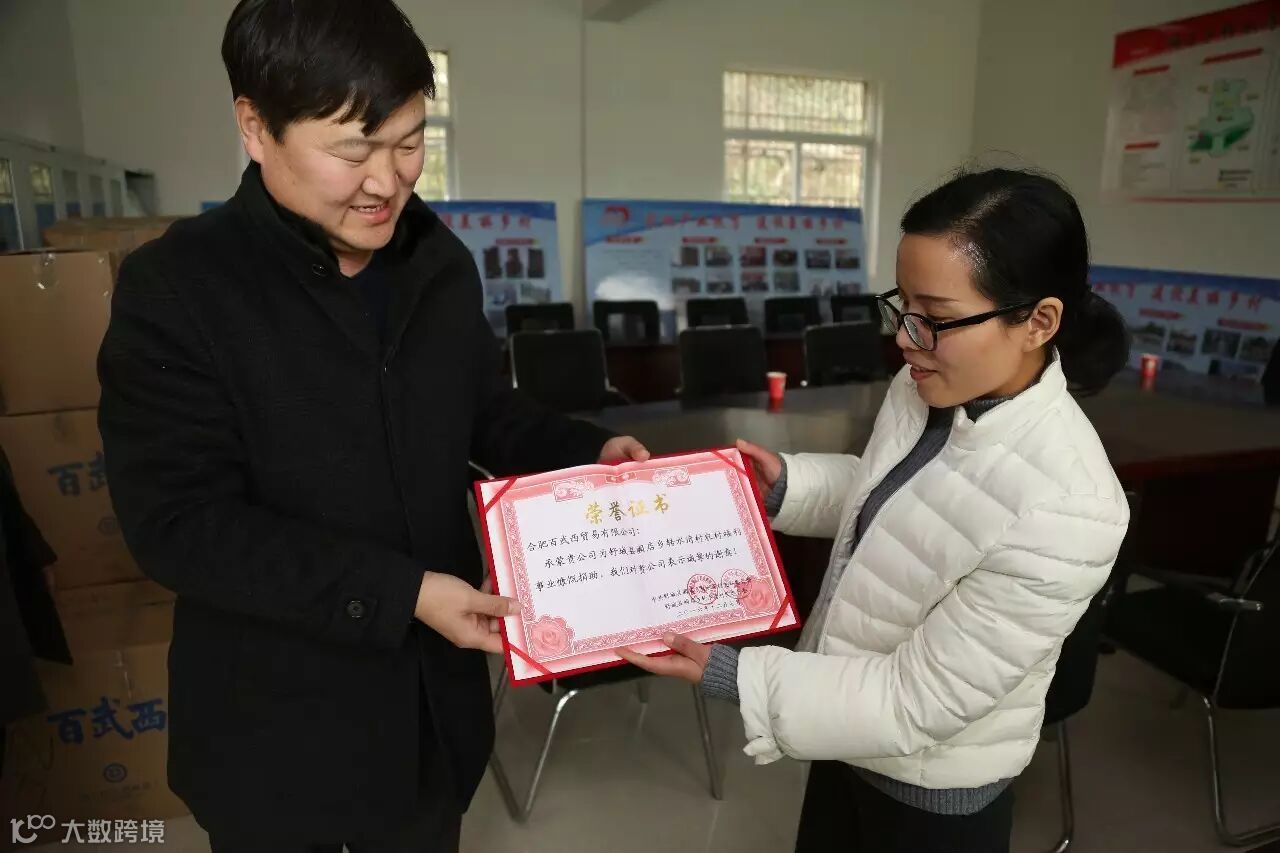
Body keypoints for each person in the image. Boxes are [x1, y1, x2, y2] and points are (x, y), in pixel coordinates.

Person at [97, 1, 648, 850]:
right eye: (354, 150)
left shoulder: (435, 259)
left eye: (409, 142)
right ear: (255, 127)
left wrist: (589, 451)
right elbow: (181, 525)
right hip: (277, 740)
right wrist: (404, 593)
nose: (388, 181)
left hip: (431, 722)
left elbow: (482, 411)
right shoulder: (179, 289)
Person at [620, 167, 1132, 853]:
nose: (905, 340)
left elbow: (919, 700)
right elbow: (899, 499)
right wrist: (784, 487)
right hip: (843, 730)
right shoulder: (926, 384)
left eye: (936, 319)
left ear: (1038, 321)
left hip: (930, 791)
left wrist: (739, 674)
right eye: (902, 306)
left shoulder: (1070, 506)